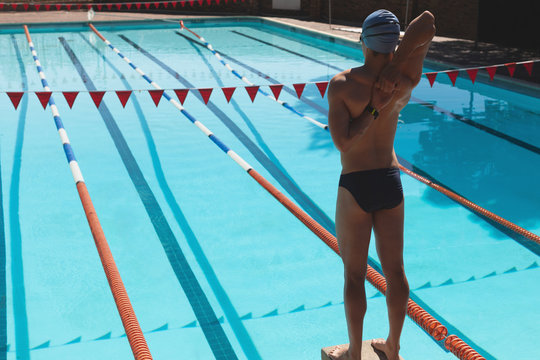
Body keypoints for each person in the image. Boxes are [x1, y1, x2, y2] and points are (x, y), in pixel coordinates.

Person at [326, 9, 435, 360]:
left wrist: (372, 108)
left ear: (363, 43)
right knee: (396, 271)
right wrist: (396, 63)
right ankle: (393, 347)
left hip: (355, 183)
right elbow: (428, 22)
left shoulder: (342, 85)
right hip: (390, 180)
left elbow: (343, 143)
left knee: (354, 275)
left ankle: (355, 354)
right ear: (393, 44)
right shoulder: (405, 78)